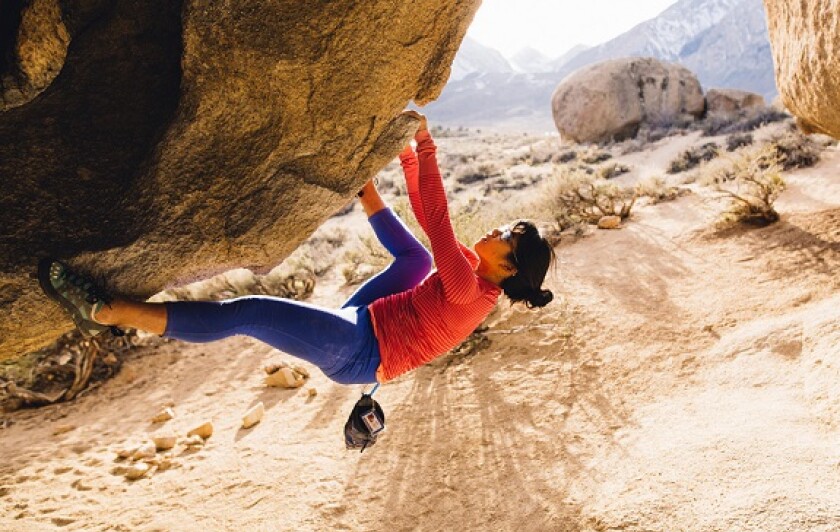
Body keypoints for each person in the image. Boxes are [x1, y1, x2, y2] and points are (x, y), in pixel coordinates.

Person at [38, 111, 555, 385]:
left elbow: (438, 218)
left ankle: (109, 312)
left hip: (360, 352)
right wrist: (404, 159)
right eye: (507, 226)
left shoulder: (469, 287)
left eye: (506, 236)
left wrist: (425, 145)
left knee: (248, 311)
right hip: (367, 320)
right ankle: (364, 191)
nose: (496, 231)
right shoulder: (472, 273)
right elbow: (427, 217)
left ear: (509, 268)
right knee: (418, 260)